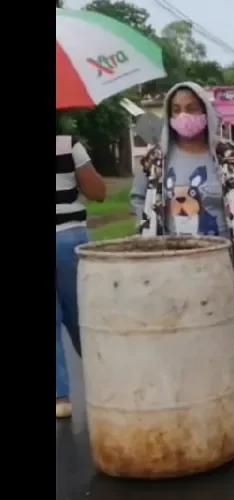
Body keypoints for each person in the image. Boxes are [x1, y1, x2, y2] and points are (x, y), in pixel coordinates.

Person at [129, 82, 234, 430]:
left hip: (222, 262)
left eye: (191, 108)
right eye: (176, 110)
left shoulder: (230, 155)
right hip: (170, 262)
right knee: (179, 330)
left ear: (206, 112)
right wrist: (146, 225)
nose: (184, 116)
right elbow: (137, 198)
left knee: (233, 329)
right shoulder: (155, 159)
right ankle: (193, 399)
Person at [56, 115, 107, 418]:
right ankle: (103, 378)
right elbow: (98, 192)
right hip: (69, 240)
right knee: (82, 315)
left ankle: (60, 397)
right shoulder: (68, 145)